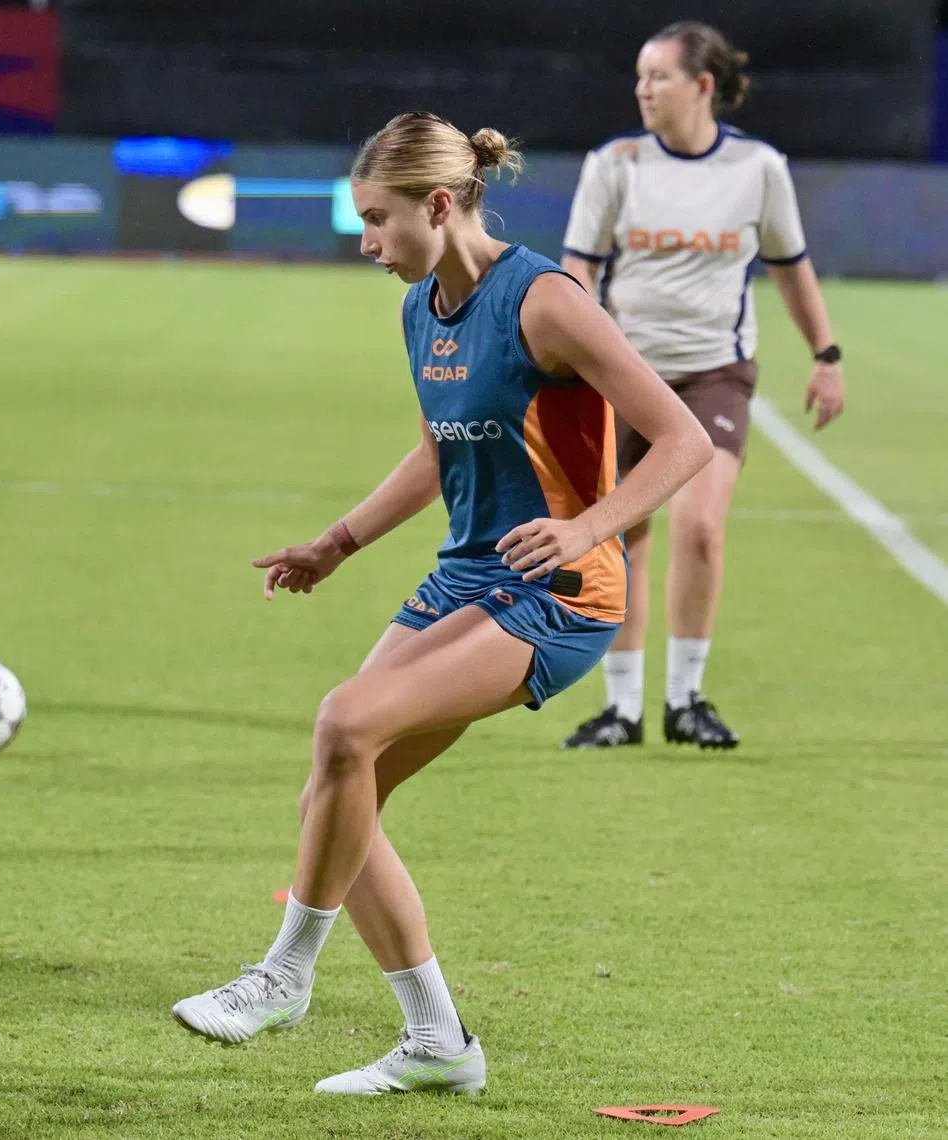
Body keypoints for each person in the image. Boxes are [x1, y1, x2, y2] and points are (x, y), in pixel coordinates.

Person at [171, 111, 713, 1096]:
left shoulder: (545, 301)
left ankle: (284, 977)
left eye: (376, 220)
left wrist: (589, 530)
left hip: (559, 593)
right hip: (468, 576)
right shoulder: (420, 308)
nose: (366, 243)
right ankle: (439, 1044)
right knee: (341, 789)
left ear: (437, 204)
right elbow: (437, 451)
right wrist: (338, 544)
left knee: (343, 721)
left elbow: (682, 438)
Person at [559, 21, 846, 751]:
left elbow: (790, 263)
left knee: (700, 528)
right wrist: (573, 348)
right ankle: (621, 709)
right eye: (638, 77)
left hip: (714, 372)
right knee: (620, 537)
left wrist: (827, 352)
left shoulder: (757, 168)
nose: (642, 90)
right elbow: (579, 268)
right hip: (624, 375)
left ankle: (686, 698)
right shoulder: (615, 163)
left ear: (703, 86)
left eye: (657, 76)